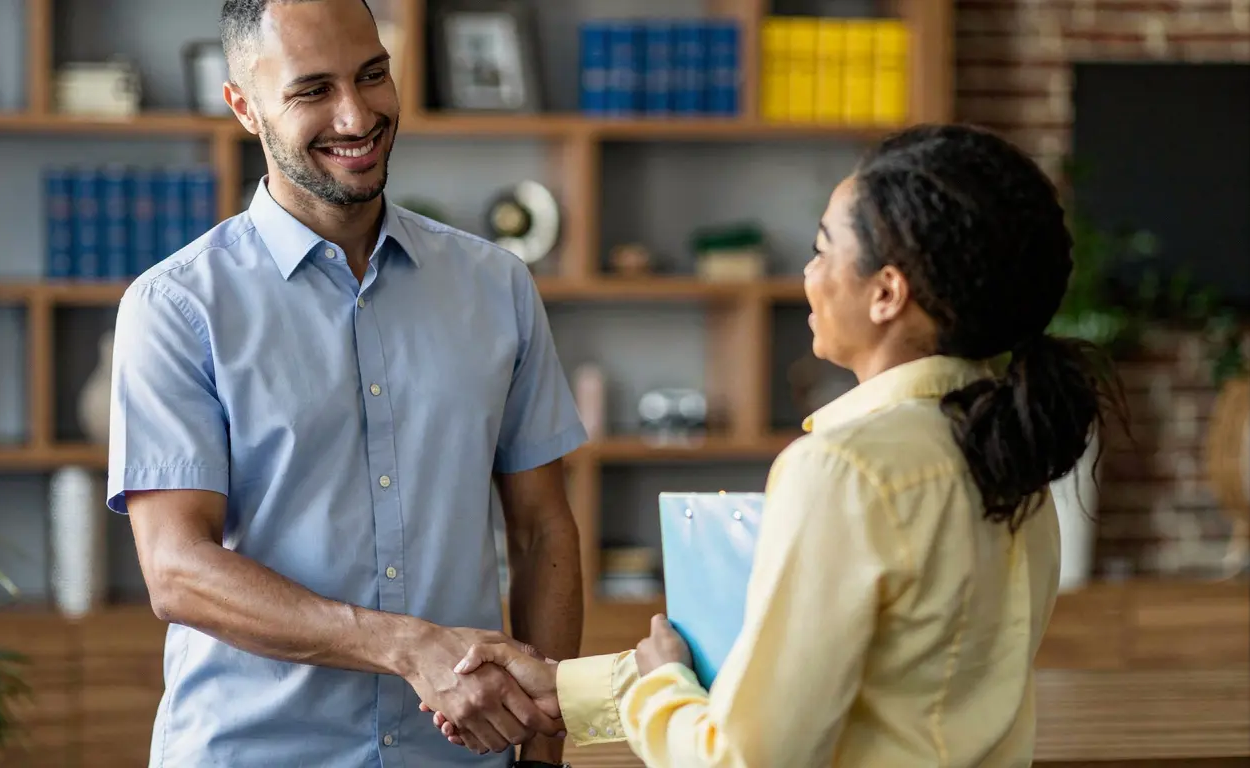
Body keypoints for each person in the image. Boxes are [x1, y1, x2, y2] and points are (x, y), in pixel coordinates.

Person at [422, 123, 1127, 766]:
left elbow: (748, 758)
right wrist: (562, 688)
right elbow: (863, 688)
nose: (807, 275)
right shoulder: (1011, 451)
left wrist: (657, 686)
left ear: (886, 293)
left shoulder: (845, 469)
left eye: (823, 249)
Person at [106, 0, 586, 765]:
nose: (356, 115)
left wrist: (545, 747)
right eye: (312, 90)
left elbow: (542, 530)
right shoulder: (176, 308)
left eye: (372, 76)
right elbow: (176, 571)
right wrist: (406, 647)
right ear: (244, 107)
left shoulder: (496, 285)